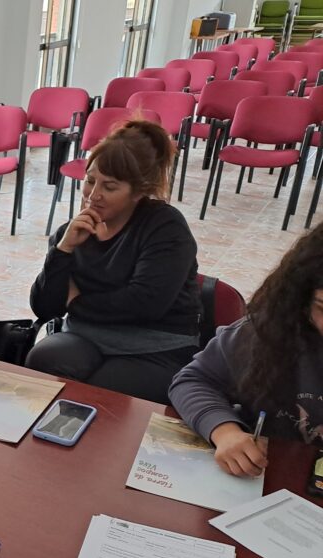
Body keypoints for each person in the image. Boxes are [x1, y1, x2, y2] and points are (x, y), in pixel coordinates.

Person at [27, 119, 201, 404]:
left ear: (138, 191)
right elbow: (44, 308)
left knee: (103, 394)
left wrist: (76, 303)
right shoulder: (73, 230)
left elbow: (145, 304)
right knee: (43, 358)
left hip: (155, 345)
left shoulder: (166, 227)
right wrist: (64, 249)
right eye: (90, 180)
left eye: (110, 187)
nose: (93, 195)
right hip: (87, 334)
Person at [170, 225, 323, 477]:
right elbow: (194, 380)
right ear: (302, 297)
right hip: (263, 476)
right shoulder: (273, 331)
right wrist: (225, 430)